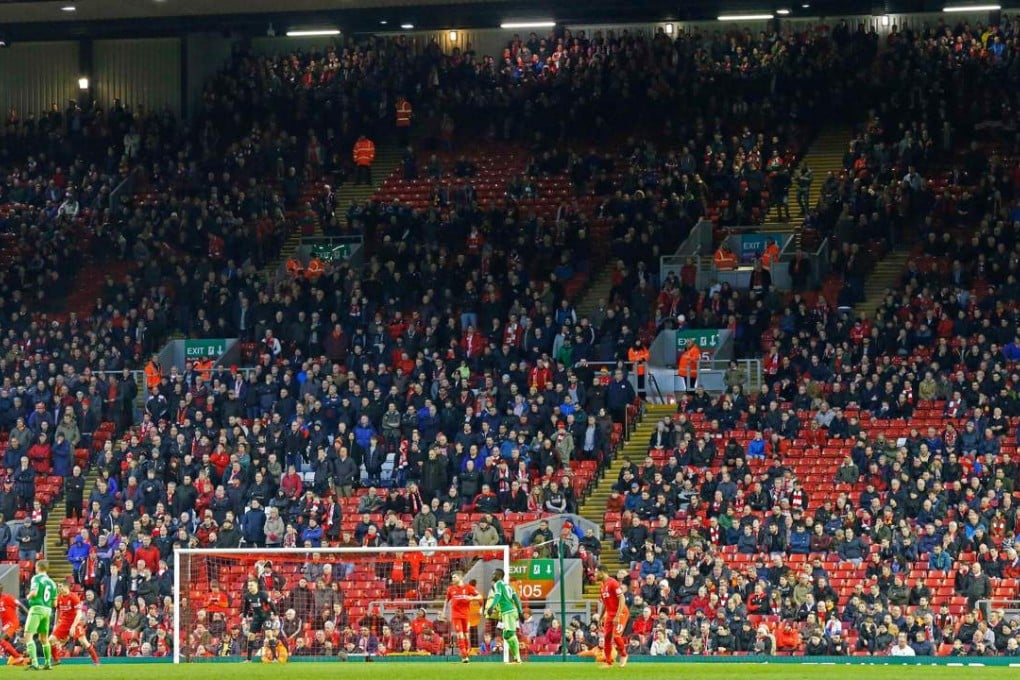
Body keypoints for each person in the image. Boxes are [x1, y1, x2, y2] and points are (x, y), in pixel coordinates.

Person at [50, 582, 100, 665]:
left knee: (83, 641)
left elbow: (79, 614)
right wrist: (56, 624)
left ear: (66, 587)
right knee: (51, 640)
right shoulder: (59, 597)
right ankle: (56, 660)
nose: (59, 588)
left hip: (75, 622)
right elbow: (57, 611)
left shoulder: (73, 597)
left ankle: (96, 661)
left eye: (60, 586)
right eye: (58, 587)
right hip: (64, 623)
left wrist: (73, 626)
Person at [24, 559, 58, 670]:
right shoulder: (52, 583)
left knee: (28, 636)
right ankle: (48, 663)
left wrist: (27, 597)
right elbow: (55, 603)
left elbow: (34, 592)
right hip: (47, 610)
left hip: (37, 608)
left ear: (38, 567)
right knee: (44, 638)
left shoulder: (36, 578)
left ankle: (35, 663)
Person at [486, 569, 523, 664]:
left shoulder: (498, 584)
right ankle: (516, 658)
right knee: (506, 635)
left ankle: (518, 658)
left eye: (493, 574)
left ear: (498, 575)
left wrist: (491, 607)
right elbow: (516, 599)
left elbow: (497, 596)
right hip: (511, 611)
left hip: (508, 611)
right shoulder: (509, 586)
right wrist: (520, 612)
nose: (492, 575)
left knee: (510, 634)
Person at [594, 565, 629, 668]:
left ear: (602, 572)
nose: (595, 575)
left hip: (621, 612)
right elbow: (605, 603)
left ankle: (624, 655)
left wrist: (617, 616)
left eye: (596, 572)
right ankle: (609, 663)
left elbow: (622, 599)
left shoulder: (613, 582)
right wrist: (601, 617)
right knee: (607, 638)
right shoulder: (602, 586)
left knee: (617, 636)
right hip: (609, 614)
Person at [445, 570, 482, 662]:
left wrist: (472, 597)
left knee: (466, 634)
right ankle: (464, 655)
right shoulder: (451, 589)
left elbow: (479, 596)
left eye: (454, 577)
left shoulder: (468, 588)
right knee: (459, 634)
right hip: (456, 615)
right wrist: (443, 611)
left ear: (460, 578)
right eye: (452, 577)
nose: (452, 579)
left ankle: (467, 651)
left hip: (466, 615)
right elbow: (446, 600)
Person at [242, 578, 275, 662]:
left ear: (256, 585)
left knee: (269, 633)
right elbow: (246, 608)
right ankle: (249, 659)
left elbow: (271, 604)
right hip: (256, 617)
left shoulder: (263, 594)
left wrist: (276, 614)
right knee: (250, 636)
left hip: (266, 616)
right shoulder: (247, 596)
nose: (249, 587)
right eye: (249, 585)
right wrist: (244, 618)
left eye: (251, 585)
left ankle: (274, 658)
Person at [0, 583, 28, 665]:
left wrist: (29, 615)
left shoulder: (8, 597)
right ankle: (21, 658)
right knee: (5, 642)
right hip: (5, 625)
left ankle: (18, 657)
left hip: (12, 622)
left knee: (1, 640)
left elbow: (20, 605)